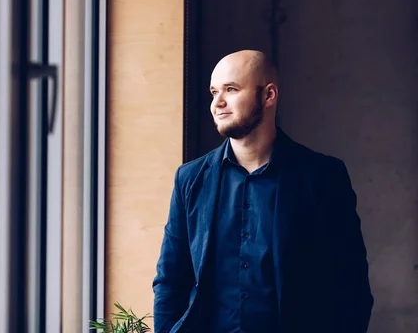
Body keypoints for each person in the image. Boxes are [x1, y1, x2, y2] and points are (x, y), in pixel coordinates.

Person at [152, 50, 373, 333]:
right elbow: (170, 279)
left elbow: (351, 284)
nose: (217, 103)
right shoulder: (190, 178)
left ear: (269, 96)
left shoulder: (322, 177)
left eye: (231, 90)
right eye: (213, 92)